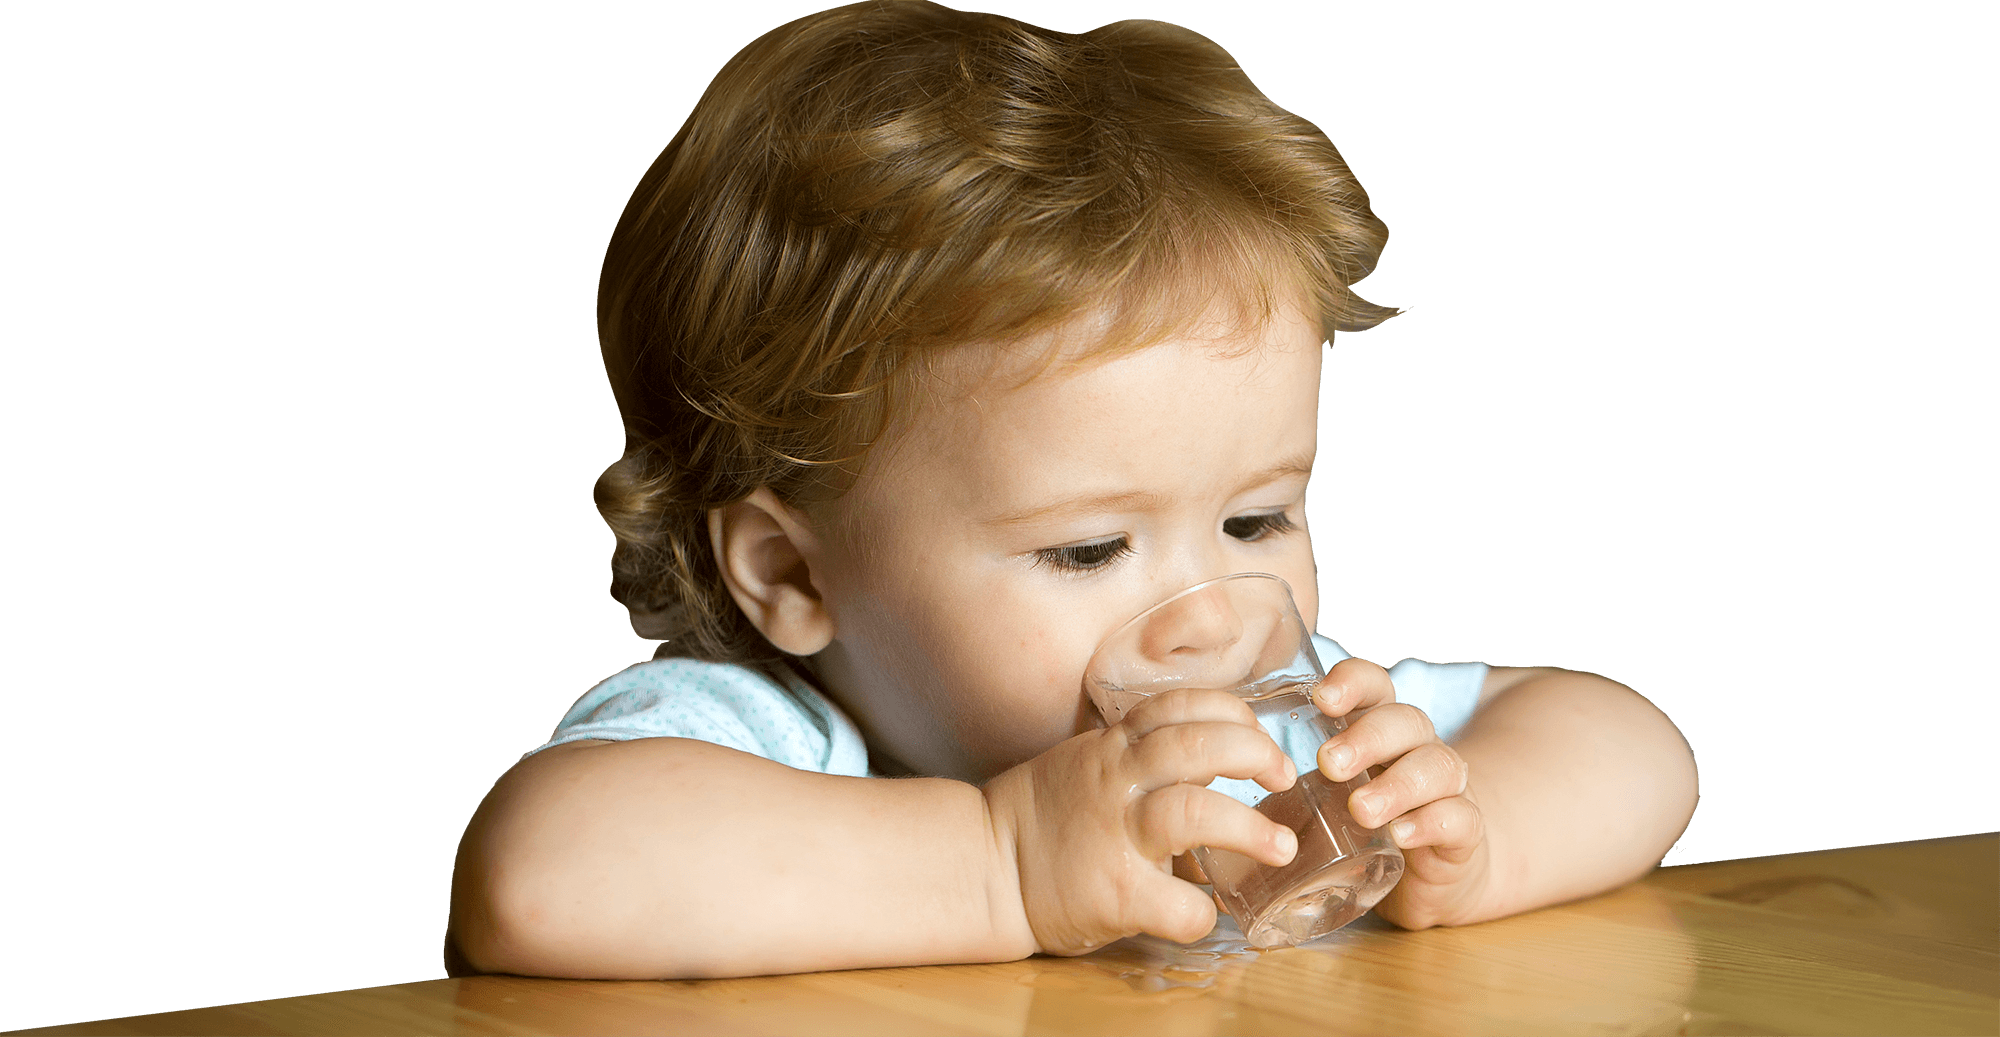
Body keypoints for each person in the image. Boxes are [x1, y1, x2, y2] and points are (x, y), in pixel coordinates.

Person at [446, 0, 1698, 979]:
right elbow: (540, 875)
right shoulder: (769, 741)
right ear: (791, 572)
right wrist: (1002, 863)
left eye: (1256, 517)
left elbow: (1633, 742)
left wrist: (1469, 841)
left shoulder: (1285, 739)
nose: (1209, 609)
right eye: (1091, 548)